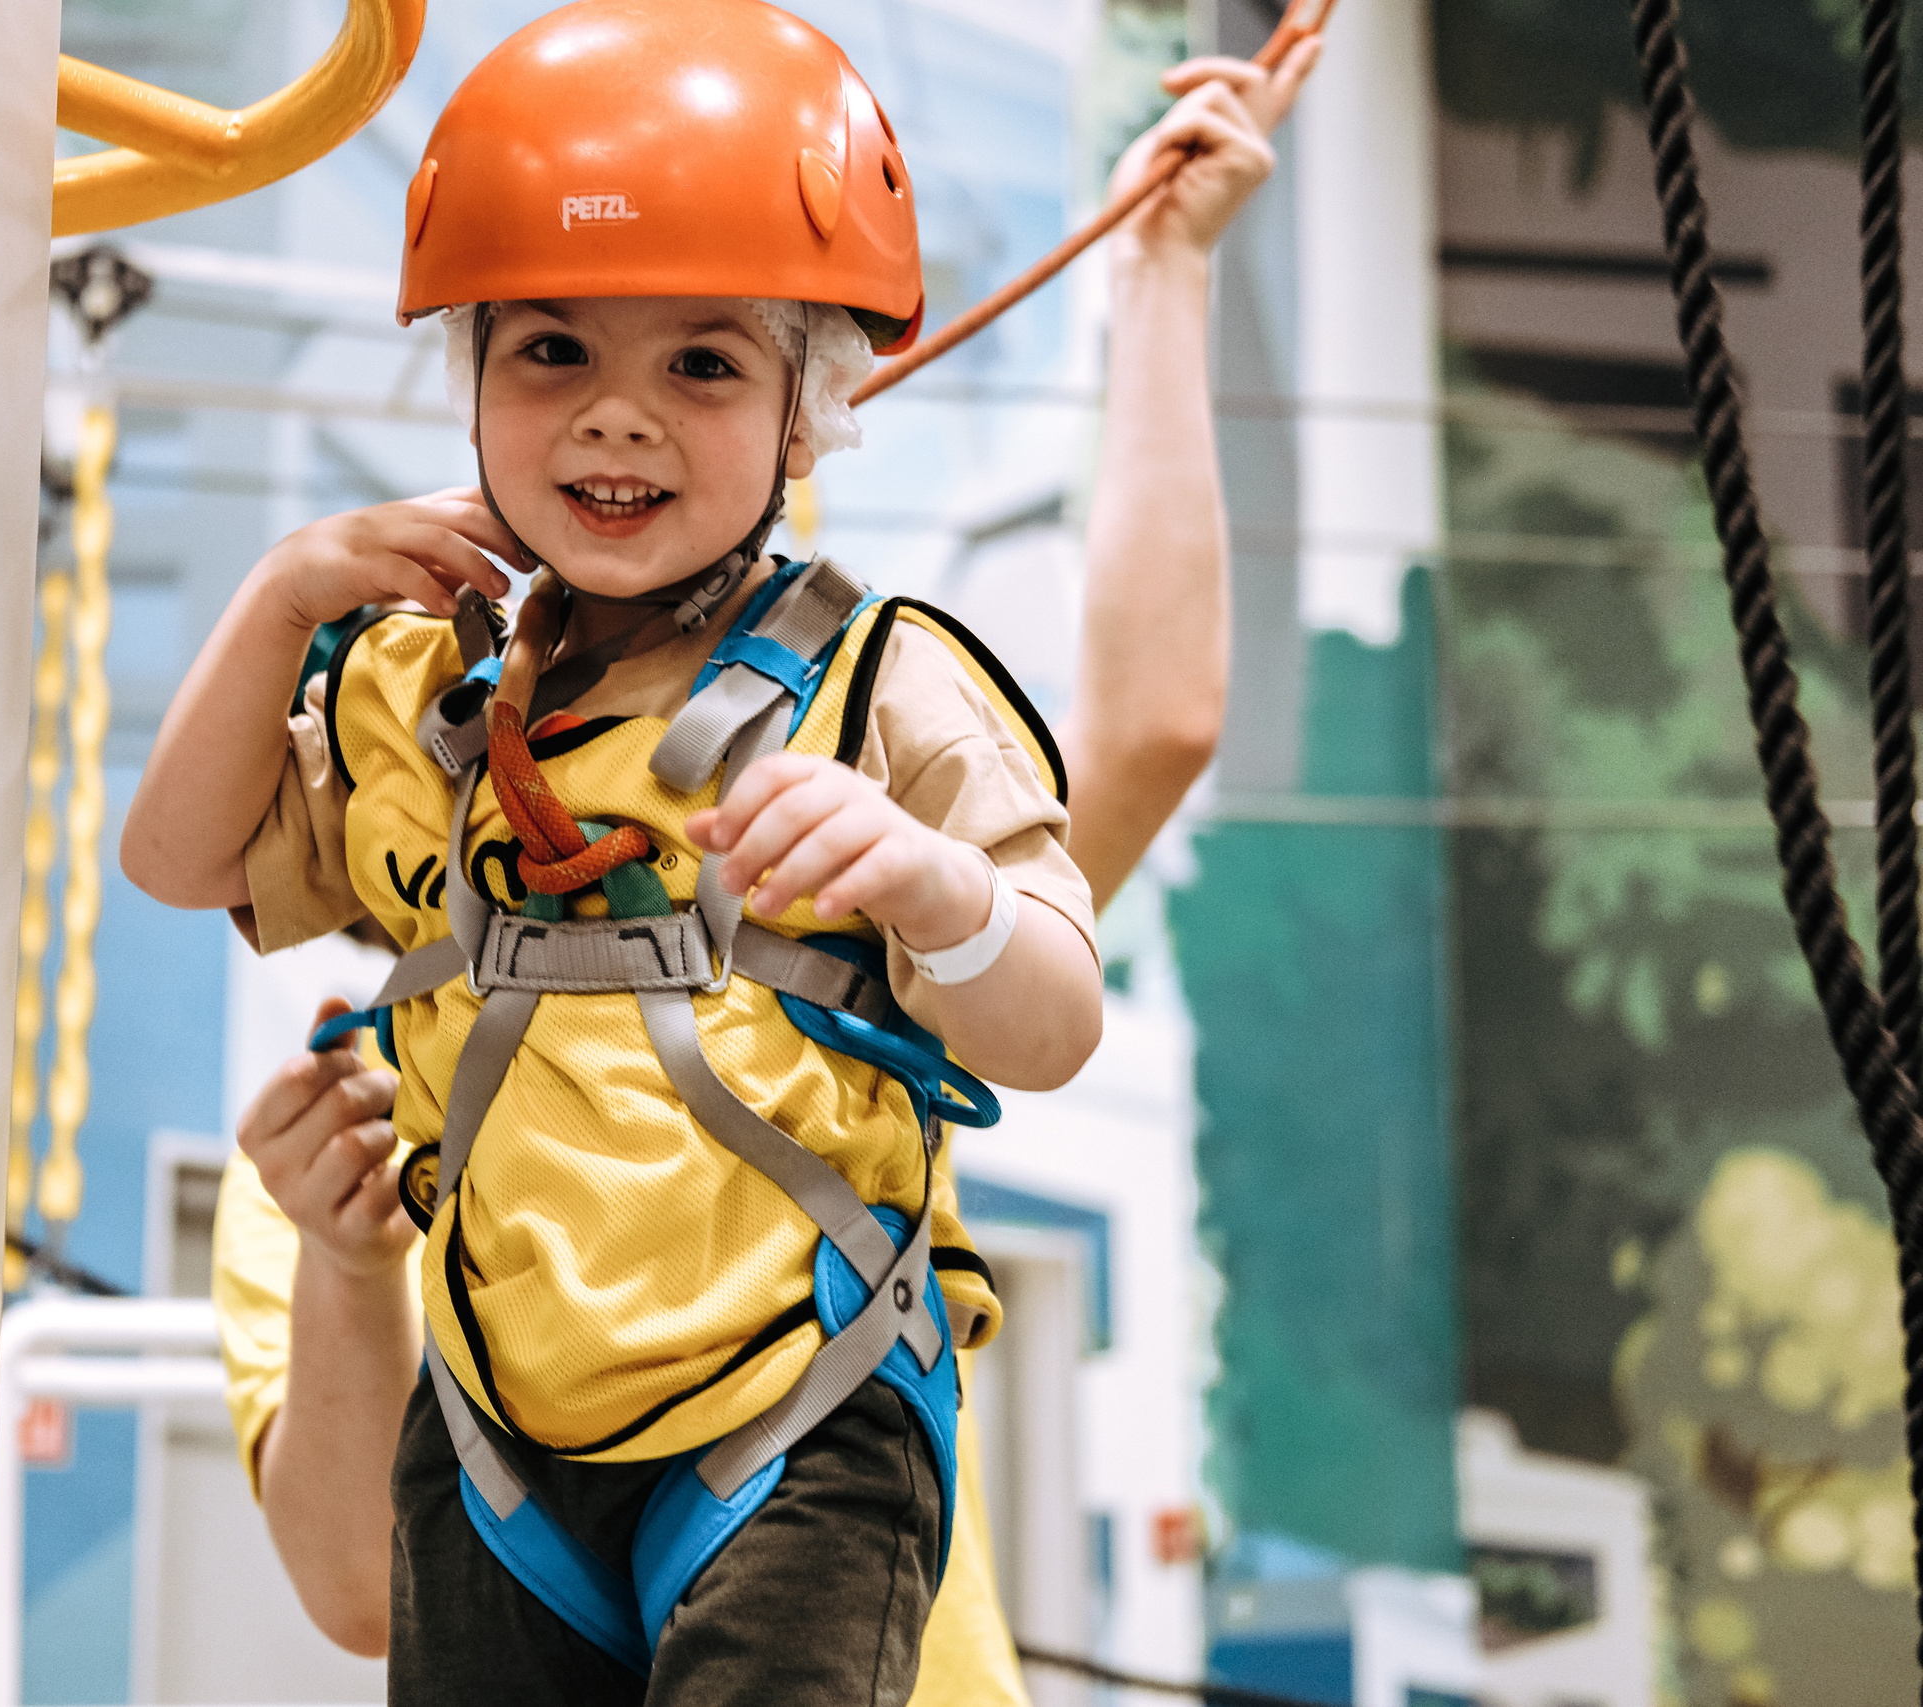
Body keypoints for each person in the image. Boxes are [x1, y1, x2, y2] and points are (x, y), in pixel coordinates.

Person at [126, 3, 1316, 1698]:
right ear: (464, 373)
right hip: (496, 1454)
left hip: (798, 1418)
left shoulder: (856, 734)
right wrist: (284, 593)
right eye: (551, 353)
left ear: (809, 408)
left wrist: (922, 878)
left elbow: (1095, 876)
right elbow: (182, 858)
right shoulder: (412, 806)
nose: (618, 418)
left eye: (702, 361)